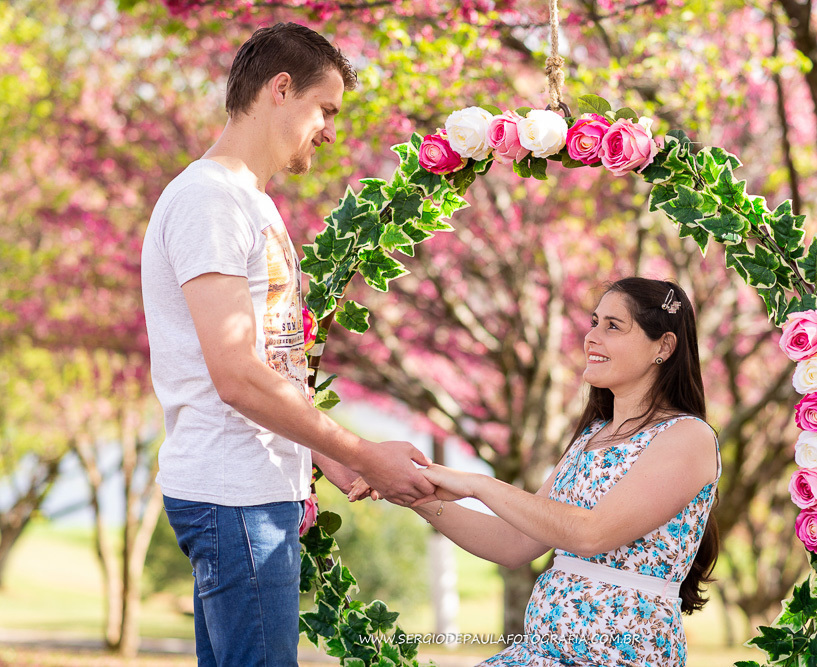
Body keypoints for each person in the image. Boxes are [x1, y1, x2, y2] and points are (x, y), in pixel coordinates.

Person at [140, 23, 435, 666]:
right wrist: (362, 450)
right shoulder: (209, 200)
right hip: (233, 497)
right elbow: (237, 376)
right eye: (324, 109)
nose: (330, 130)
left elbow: (274, 359)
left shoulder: (253, 204)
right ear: (281, 89)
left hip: (254, 495)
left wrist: (323, 458)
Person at [364, 277, 721, 666]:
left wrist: (476, 485)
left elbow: (590, 533)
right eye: (594, 322)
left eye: (613, 326)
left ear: (664, 346)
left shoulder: (687, 436)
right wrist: (417, 492)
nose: (591, 338)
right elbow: (513, 543)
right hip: (540, 653)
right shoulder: (591, 436)